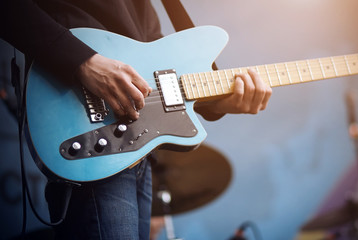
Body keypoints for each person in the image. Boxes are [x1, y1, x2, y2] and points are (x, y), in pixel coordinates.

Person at [0, 0, 272, 239]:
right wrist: (82, 61)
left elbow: (158, 59)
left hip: (136, 148)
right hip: (92, 139)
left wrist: (220, 100)